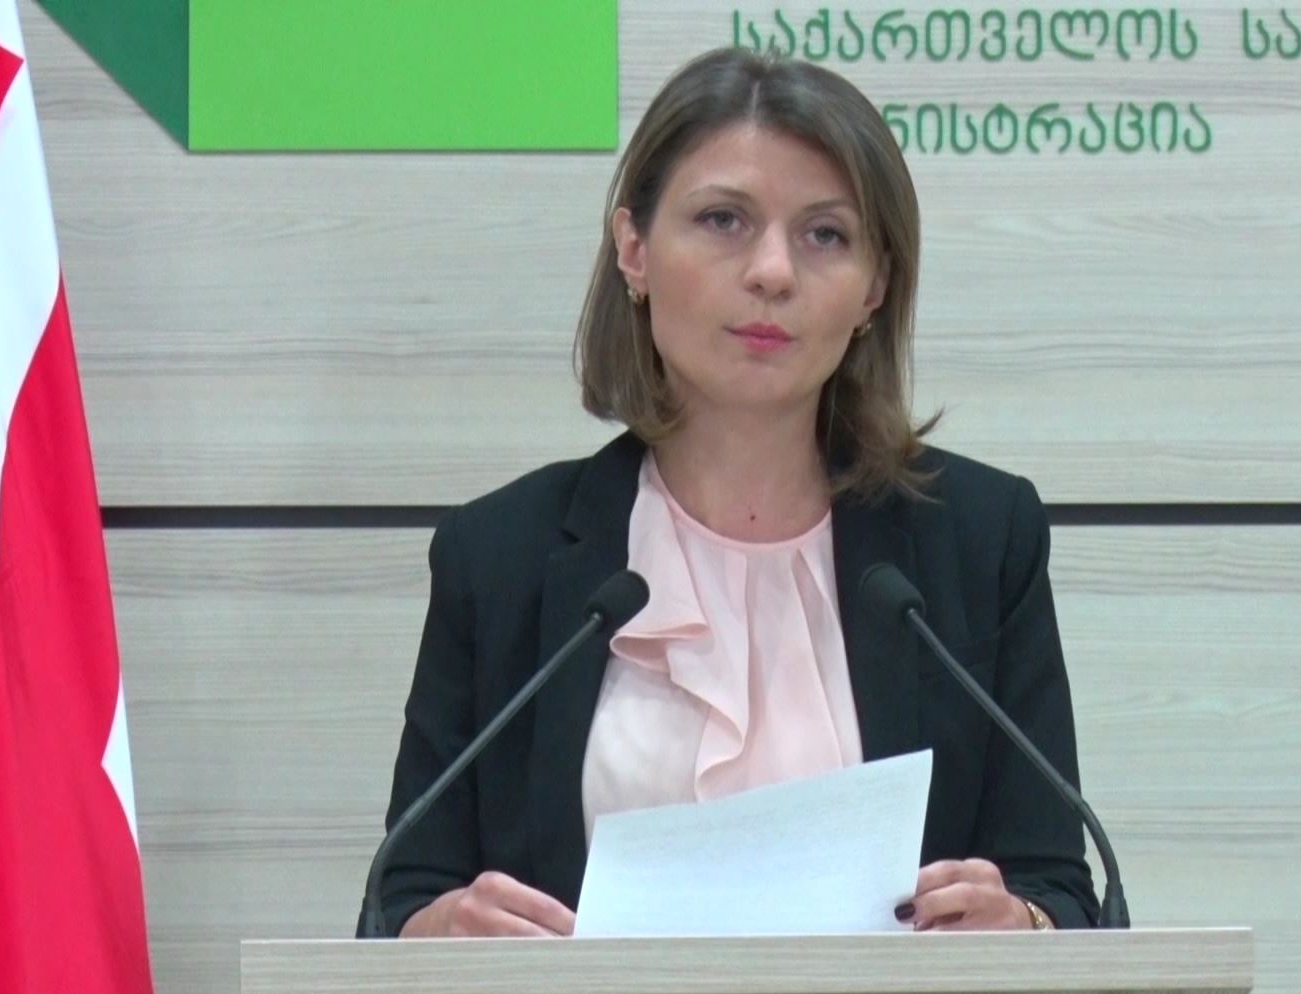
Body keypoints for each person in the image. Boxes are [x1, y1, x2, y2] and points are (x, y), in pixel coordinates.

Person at [359, 45, 1098, 939]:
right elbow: (398, 902)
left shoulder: (978, 540)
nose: (773, 272)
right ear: (634, 249)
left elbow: (1062, 888)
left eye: (826, 235)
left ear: (874, 287)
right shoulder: (500, 556)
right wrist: (438, 930)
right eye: (723, 220)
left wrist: (1023, 923)